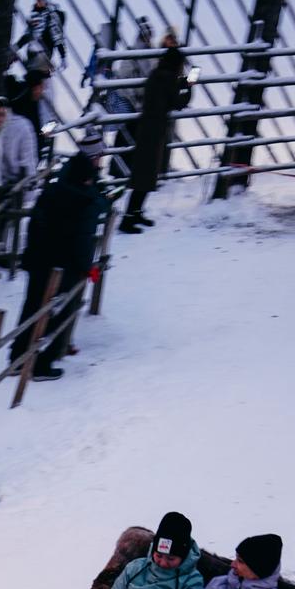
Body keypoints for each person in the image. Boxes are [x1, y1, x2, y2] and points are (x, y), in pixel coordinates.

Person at [16, 144, 107, 379]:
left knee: (32, 306)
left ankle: (18, 356)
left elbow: (34, 225)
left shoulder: (51, 192)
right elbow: (83, 241)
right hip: (63, 268)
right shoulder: (84, 203)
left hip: (38, 260)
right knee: (60, 313)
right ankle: (43, 363)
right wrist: (89, 270)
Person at [117, 34, 189, 234]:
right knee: (144, 176)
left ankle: (136, 213)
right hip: (155, 129)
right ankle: (128, 219)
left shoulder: (157, 75)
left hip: (146, 127)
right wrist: (189, 87)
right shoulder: (167, 79)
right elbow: (178, 102)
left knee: (145, 175)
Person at [0, 94, 39, 277]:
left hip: (10, 182)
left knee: (1, 222)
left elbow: (27, 159)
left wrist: (27, 184)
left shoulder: (20, 128)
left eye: (1, 114)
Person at [21, 0, 66, 70]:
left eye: (40, 0)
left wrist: (63, 56)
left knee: (38, 76)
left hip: (44, 53)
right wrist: (16, 47)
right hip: (32, 52)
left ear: (45, 0)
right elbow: (28, 34)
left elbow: (57, 38)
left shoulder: (51, 16)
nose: (38, 2)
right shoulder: (35, 14)